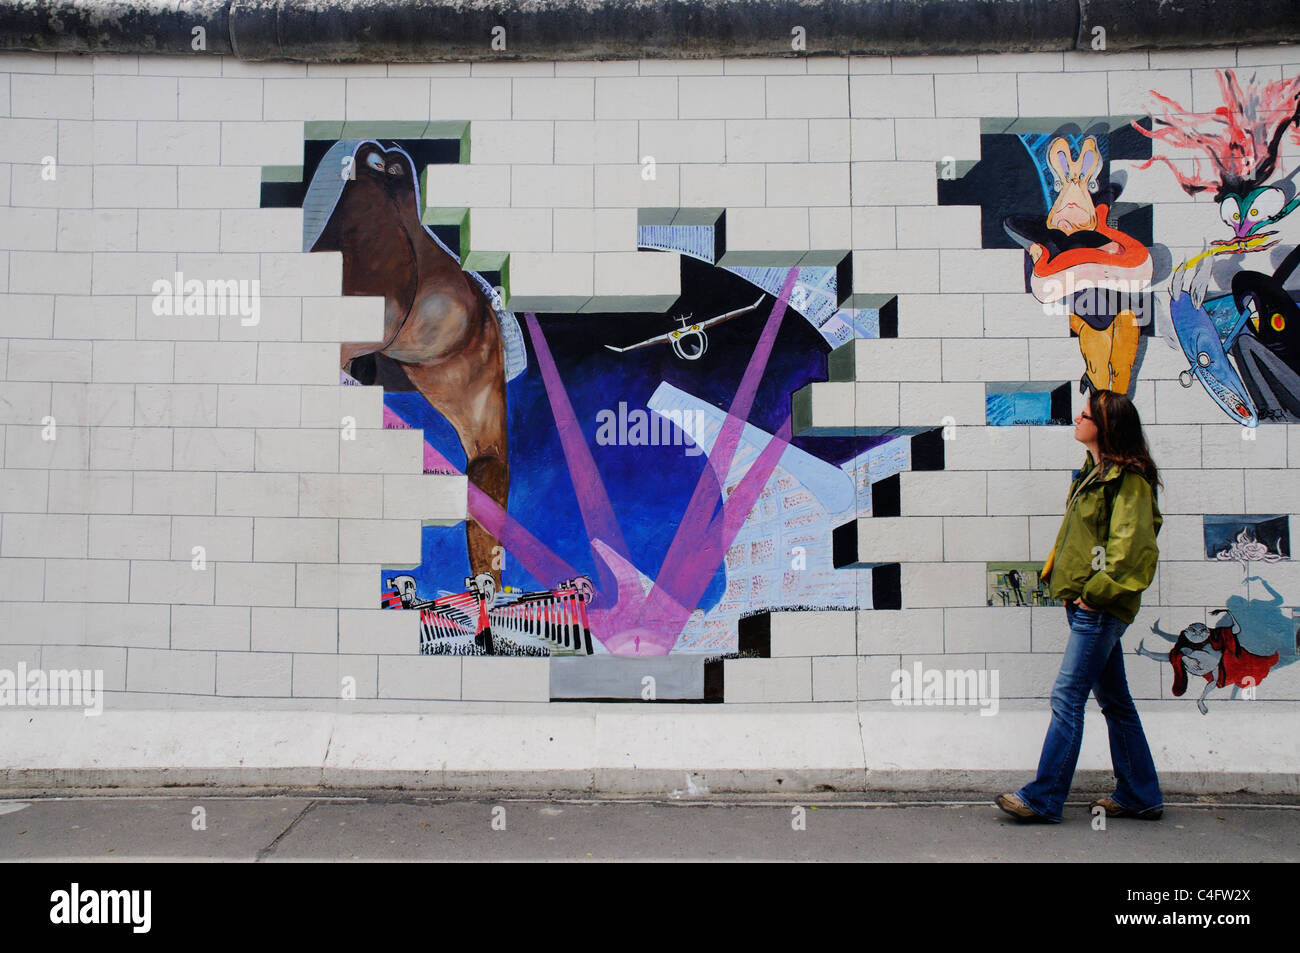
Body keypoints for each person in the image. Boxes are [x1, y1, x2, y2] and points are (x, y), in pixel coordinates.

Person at [997, 389, 1165, 823]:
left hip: (1099, 609)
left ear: (1105, 427)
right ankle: (1140, 793)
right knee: (1115, 700)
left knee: (1067, 697)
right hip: (1088, 605)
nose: (1078, 417)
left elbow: (1130, 552)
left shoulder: (1128, 481)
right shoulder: (1095, 472)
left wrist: (1093, 594)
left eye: (1086, 414)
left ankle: (1044, 798)